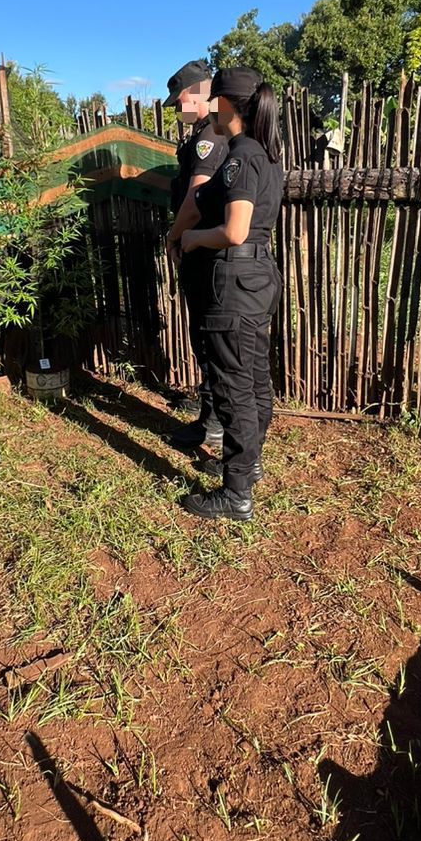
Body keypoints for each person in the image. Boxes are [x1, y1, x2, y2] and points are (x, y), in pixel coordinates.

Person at [177, 66, 283, 522]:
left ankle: (236, 492)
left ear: (225, 104)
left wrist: (194, 240)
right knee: (255, 375)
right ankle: (250, 464)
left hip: (234, 282)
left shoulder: (239, 156)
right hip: (259, 277)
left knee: (233, 385)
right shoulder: (267, 155)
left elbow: (235, 230)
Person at [163, 60, 228, 448]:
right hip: (202, 248)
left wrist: (174, 235)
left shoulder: (210, 137)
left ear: (202, 90)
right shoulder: (205, 132)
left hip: (204, 250)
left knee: (209, 336)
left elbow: (196, 196)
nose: (176, 107)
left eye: (180, 99)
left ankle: (218, 424)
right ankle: (210, 419)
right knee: (202, 336)